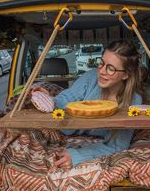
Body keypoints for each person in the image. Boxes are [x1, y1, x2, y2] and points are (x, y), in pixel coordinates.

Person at [32, 39, 142, 170]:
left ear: (126, 75)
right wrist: (50, 100)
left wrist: (76, 155)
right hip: (67, 129)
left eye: (111, 68)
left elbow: (117, 146)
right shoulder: (91, 78)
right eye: (101, 63)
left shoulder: (134, 102)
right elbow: (67, 98)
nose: (101, 71)